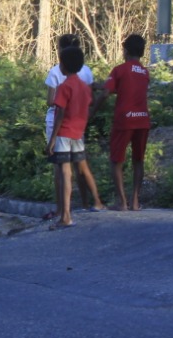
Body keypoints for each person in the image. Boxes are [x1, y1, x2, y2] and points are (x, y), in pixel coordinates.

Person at [90, 33, 150, 211]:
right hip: (143, 119)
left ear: (125, 51)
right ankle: (136, 201)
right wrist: (100, 85)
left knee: (117, 160)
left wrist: (92, 111)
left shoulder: (119, 70)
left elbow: (107, 93)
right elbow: (128, 88)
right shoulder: (145, 72)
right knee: (138, 160)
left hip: (124, 119)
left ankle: (122, 202)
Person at [44, 33, 101, 218]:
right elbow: (90, 102)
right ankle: (95, 202)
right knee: (82, 166)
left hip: (63, 132)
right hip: (78, 130)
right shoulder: (85, 83)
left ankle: (65, 214)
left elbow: (58, 110)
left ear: (62, 62)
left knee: (64, 171)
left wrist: (52, 139)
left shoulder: (63, 85)